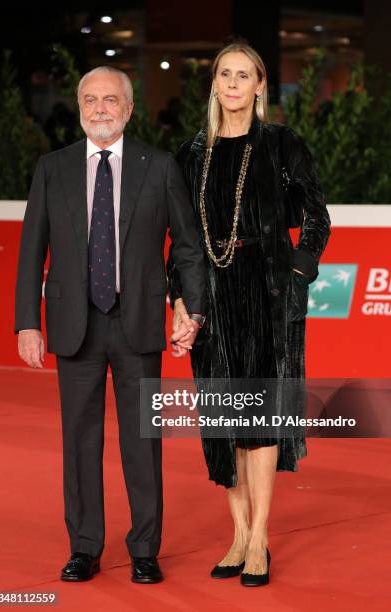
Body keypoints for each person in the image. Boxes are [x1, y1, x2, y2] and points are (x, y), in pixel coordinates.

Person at [15, 66, 205, 584]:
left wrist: (194, 307)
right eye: (90, 99)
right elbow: (32, 250)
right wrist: (27, 322)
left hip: (138, 322)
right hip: (73, 324)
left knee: (142, 442)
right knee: (79, 441)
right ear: (79, 105)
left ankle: (145, 548)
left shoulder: (160, 166)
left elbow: (187, 247)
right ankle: (84, 547)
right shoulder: (52, 168)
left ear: (129, 108)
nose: (100, 109)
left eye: (110, 100)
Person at [167, 42, 331, 587]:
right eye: (225, 74)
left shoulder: (281, 143)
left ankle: (259, 536)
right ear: (214, 83)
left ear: (260, 85)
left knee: (258, 419)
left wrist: (299, 272)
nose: (234, 83)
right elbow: (180, 239)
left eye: (245, 75)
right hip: (211, 295)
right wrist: (180, 301)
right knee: (223, 418)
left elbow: (315, 214)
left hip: (266, 292)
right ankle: (236, 533)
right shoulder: (191, 153)